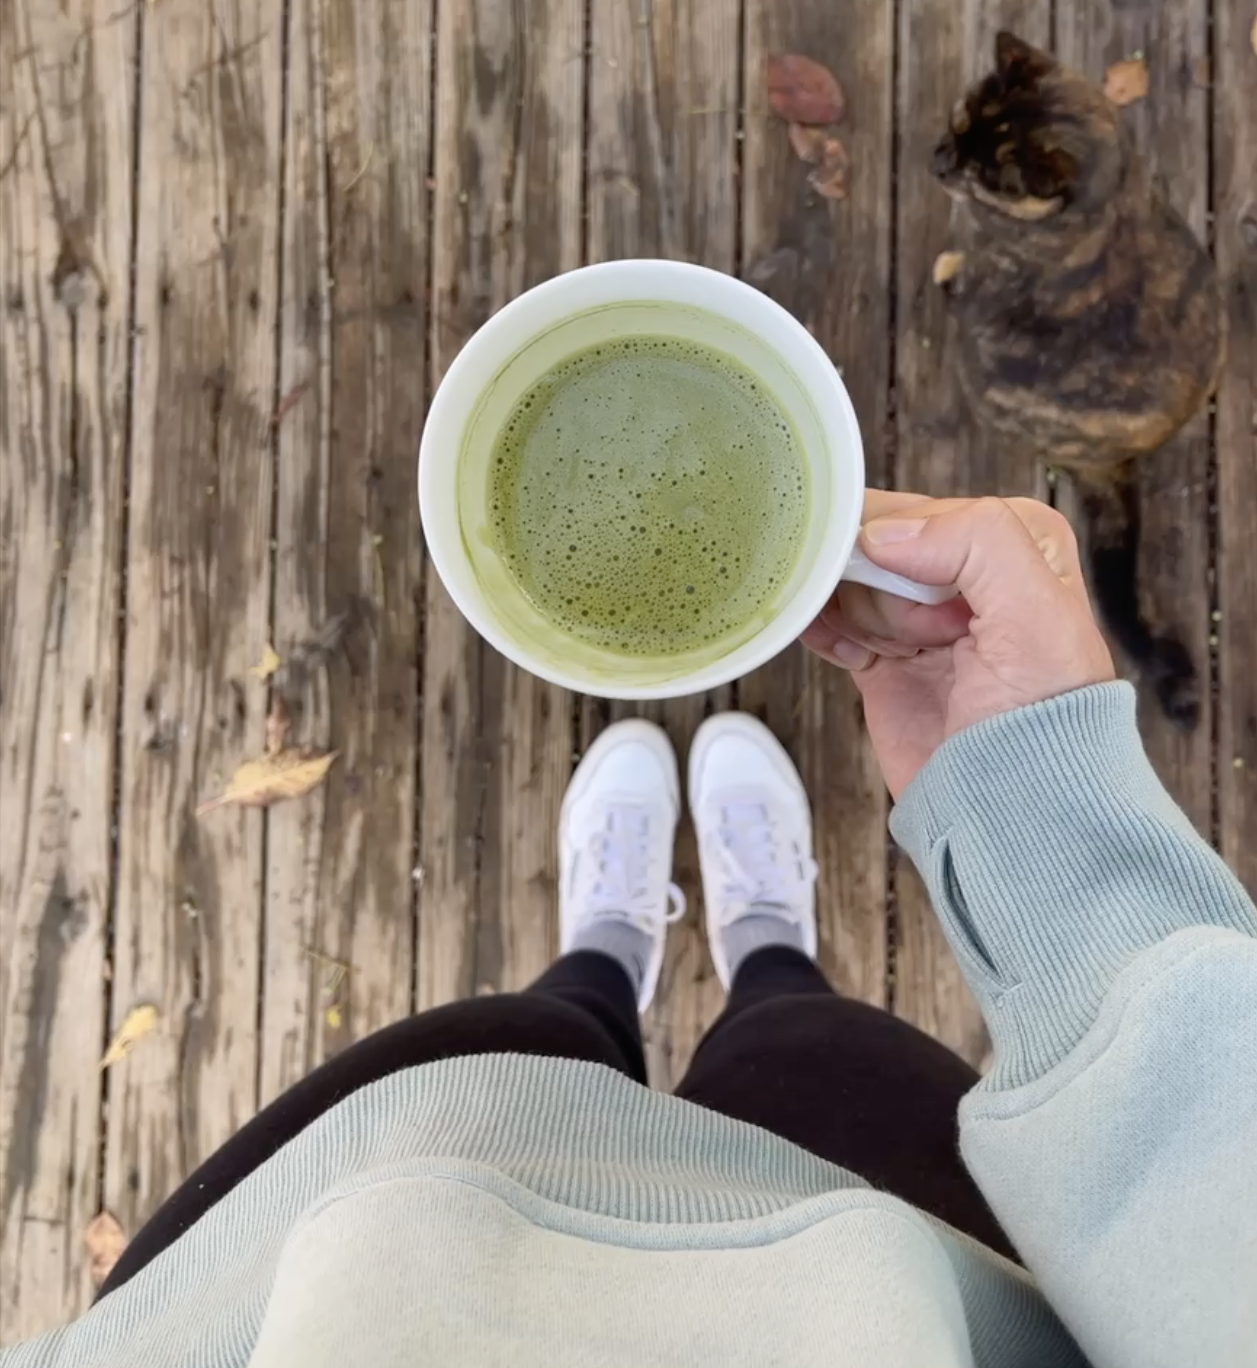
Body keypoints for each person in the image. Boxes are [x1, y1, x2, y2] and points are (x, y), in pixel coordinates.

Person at [5, 492, 1256, 1368]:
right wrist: (1047, 814)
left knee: (528, 1029)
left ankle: (612, 942)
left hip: (309, 1277)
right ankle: (765, 940)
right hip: (909, 1292)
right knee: (809, 1039)